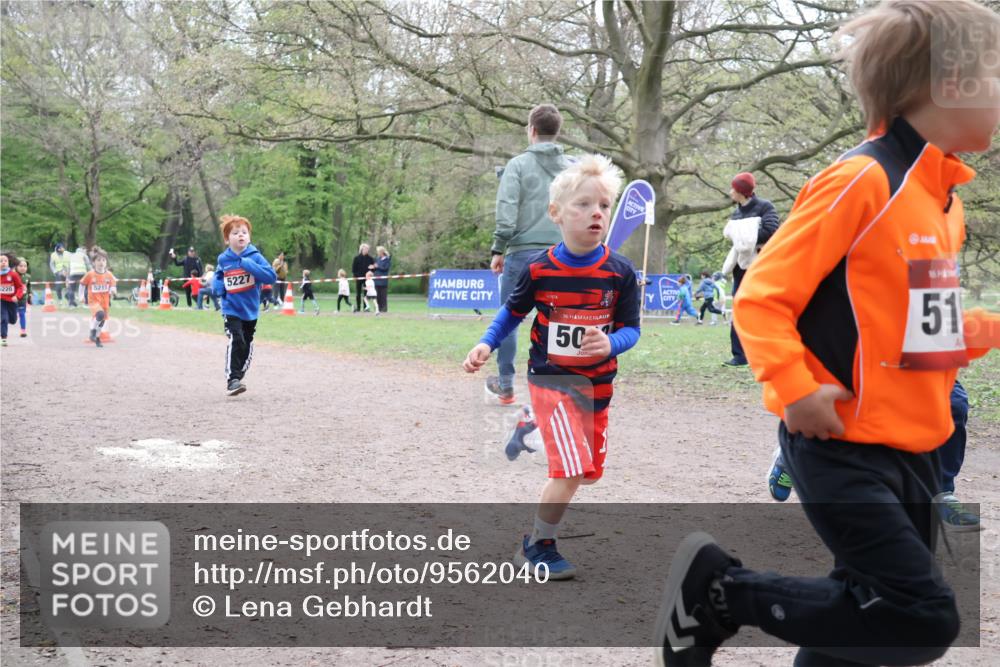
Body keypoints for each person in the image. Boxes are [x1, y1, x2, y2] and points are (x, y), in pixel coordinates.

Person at [655, 3, 1000, 665]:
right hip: (843, 446)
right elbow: (760, 294)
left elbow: (925, 334)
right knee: (921, 618)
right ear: (953, 84)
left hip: (915, 451)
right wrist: (794, 385)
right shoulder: (862, 179)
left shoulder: (942, 202)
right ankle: (719, 592)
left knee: (865, 618)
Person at [463, 154, 640, 579]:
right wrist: (486, 343)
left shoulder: (620, 272)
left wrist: (610, 343)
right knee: (570, 470)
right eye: (584, 204)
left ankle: (530, 422)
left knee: (589, 475)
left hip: (596, 386)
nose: (596, 213)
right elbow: (511, 312)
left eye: (604, 205)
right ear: (556, 213)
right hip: (551, 380)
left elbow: (631, 330)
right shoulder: (539, 269)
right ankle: (537, 546)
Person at [767, 380, 982, 530]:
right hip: (855, 348)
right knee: (844, 408)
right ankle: (793, 451)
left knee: (953, 402)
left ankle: (939, 492)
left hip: (905, 349)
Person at [486, 103, 572, 405]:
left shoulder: (518, 165)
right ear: (557, 131)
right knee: (561, 320)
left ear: (531, 130)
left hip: (522, 252)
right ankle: (558, 384)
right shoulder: (572, 169)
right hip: (563, 255)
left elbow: (506, 210)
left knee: (509, 317)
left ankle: (506, 385)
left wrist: (499, 248)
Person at [212, 215, 276, 396]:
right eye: (235, 233)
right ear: (227, 239)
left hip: (250, 310)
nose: (240, 235)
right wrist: (218, 288)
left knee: (246, 343)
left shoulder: (255, 257)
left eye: (244, 232)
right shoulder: (224, 259)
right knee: (236, 338)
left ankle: (238, 375)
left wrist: (248, 265)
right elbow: (218, 276)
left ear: (249, 237)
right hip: (231, 308)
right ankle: (232, 379)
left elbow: (270, 277)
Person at [721, 171, 779, 366]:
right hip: (740, 268)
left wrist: (744, 236)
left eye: (733, 189)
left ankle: (765, 353)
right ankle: (739, 355)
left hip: (760, 266)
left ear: (741, 191)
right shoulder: (737, 213)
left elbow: (771, 230)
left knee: (761, 309)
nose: (730, 192)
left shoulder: (765, 207)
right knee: (738, 308)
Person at [79, 246, 117, 349]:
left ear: (106, 262)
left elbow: (113, 285)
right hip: (93, 301)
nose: (101, 262)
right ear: (93, 262)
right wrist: (81, 296)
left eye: (103, 260)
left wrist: (113, 290)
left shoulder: (109, 275)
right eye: (99, 260)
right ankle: (92, 332)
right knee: (100, 314)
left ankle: (97, 338)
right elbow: (82, 284)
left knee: (102, 320)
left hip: (104, 302)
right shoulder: (90, 274)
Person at [0, 254, 25, 347]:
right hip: (1, 300)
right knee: (4, 318)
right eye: (1, 261)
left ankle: (8, 320)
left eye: (5, 261)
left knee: (13, 320)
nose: (3, 262)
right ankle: (3, 338)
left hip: (12, 300)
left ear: (8, 263)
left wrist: (17, 296)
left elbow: (20, 287)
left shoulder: (13, 274)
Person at [351, 244, 374, 312]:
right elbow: (354, 269)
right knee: (358, 293)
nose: (367, 250)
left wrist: (371, 272)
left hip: (367, 279)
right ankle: (358, 307)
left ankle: (365, 307)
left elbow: (373, 268)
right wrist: (355, 276)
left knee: (366, 293)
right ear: (362, 249)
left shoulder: (370, 259)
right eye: (365, 249)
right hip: (359, 278)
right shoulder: (356, 258)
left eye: (367, 249)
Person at [373, 246, 391, 313]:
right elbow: (375, 267)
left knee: (383, 295)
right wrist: (373, 267)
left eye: (378, 252)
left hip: (383, 280)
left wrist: (378, 266)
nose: (377, 253)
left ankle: (384, 308)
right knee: (377, 295)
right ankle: (377, 308)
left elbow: (385, 268)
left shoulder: (387, 260)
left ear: (381, 252)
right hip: (376, 279)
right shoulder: (377, 259)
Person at [15, 258, 30, 337]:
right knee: (8, 316)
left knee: (22, 314)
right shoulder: (13, 275)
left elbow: (29, 286)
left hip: (22, 300)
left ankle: (23, 331)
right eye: (20, 266)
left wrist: (30, 295)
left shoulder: (28, 277)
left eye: (25, 266)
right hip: (13, 300)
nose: (23, 268)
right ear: (16, 266)